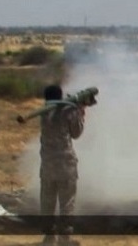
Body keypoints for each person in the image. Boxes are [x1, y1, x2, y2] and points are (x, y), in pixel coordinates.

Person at [39, 84, 85, 245]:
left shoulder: (43, 112)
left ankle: (49, 237)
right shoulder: (68, 111)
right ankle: (65, 239)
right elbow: (76, 133)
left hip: (47, 164)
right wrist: (80, 113)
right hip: (66, 164)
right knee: (67, 202)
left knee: (47, 202)